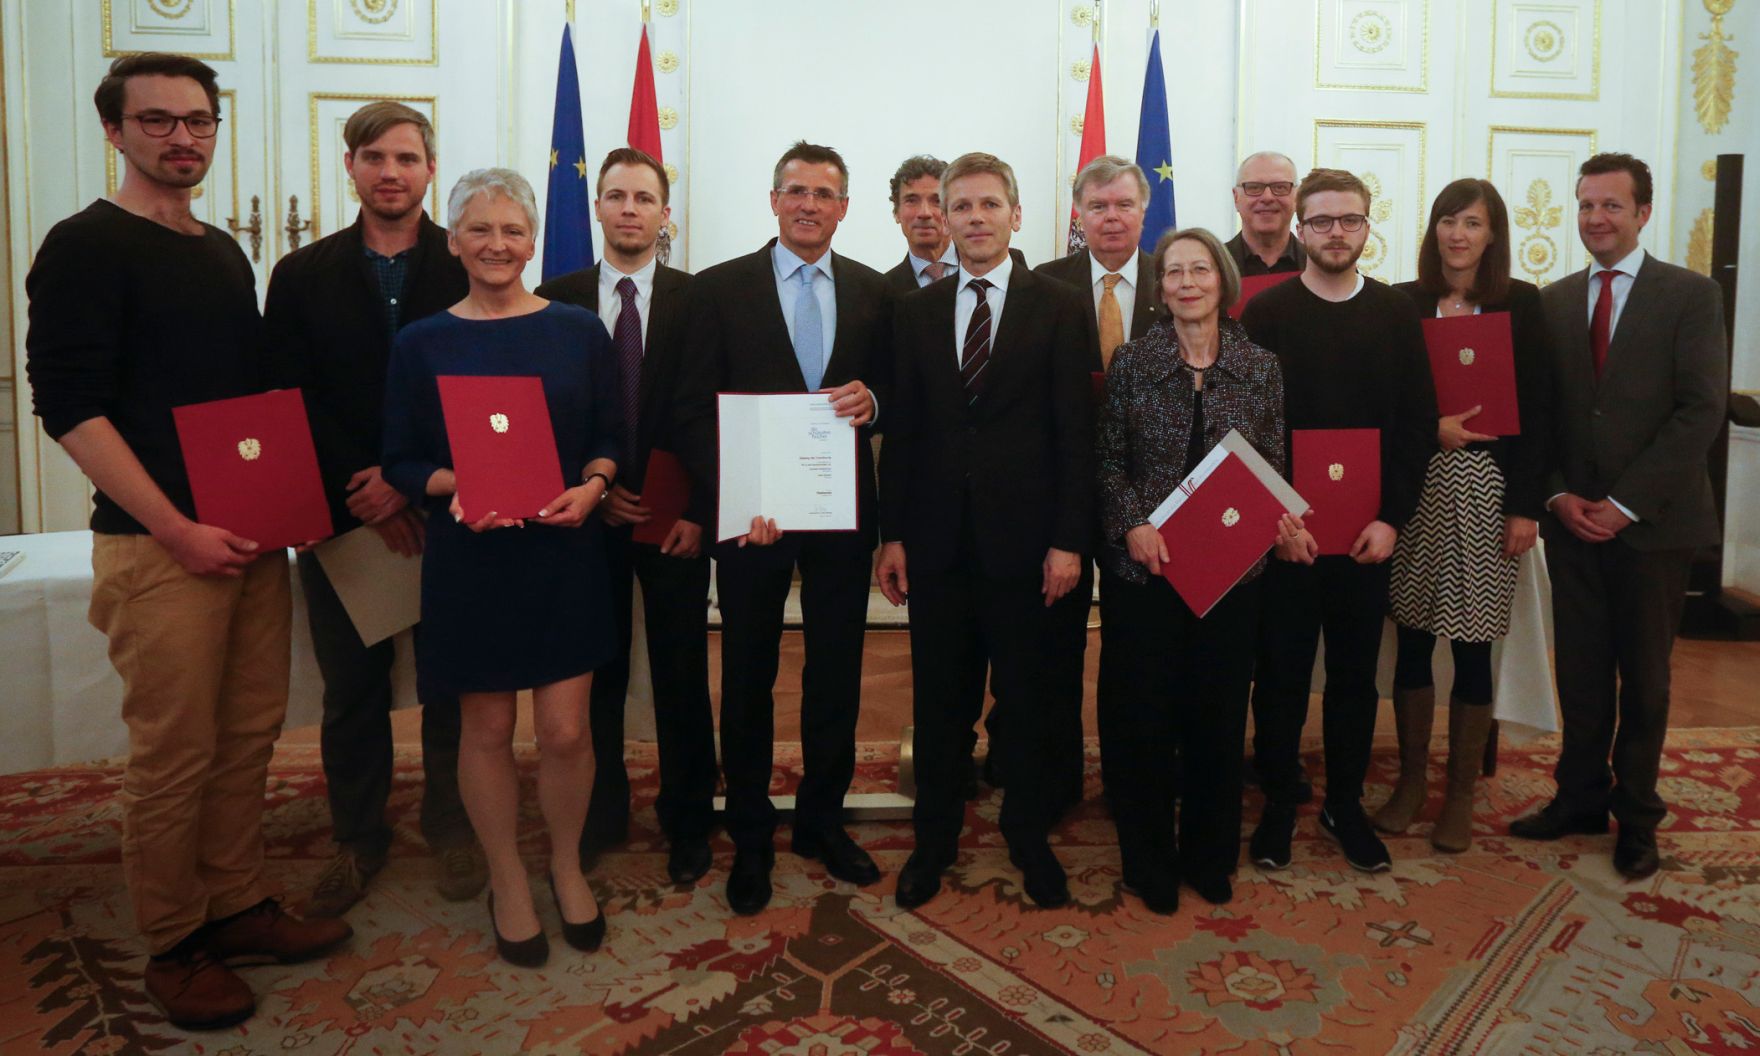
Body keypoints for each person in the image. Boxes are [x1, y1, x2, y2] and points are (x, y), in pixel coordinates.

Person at [24, 53, 350, 1030]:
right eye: (158, 121)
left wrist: (278, 514)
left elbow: (239, 411)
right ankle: (175, 942)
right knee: (174, 752)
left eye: (198, 121)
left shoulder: (218, 251)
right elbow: (70, 408)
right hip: (157, 547)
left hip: (246, 544)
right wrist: (176, 527)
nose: (183, 137)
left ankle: (238, 902)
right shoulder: (84, 246)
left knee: (248, 735)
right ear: (115, 132)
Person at [380, 168, 620, 966]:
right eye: (479, 230)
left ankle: (562, 862)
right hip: (471, 558)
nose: (497, 245)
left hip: (563, 551)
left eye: (513, 231)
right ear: (453, 242)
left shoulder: (579, 330)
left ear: (533, 241)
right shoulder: (421, 343)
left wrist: (593, 488)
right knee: (484, 729)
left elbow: (609, 436)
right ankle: (507, 876)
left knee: (565, 731)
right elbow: (402, 462)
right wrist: (460, 483)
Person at [263, 100, 486, 918]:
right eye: (374, 157)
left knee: (451, 683)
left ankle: (453, 822)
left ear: (431, 169)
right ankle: (358, 839)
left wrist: (411, 476)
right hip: (341, 516)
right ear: (350, 167)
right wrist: (362, 486)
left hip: (448, 509)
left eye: (406, 157)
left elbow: (486, 385)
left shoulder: (467, 263)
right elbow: (287, 397)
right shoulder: (301, 274)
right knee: (350, 692)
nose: (390, 172)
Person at [672, 141, 892, 916]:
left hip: (840, 522)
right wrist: (740, 494)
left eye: (824, 193)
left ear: (843, 207)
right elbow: (692, 409)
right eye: (795, 190)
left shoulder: (873, 293)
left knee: (835, 674)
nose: (808, 204)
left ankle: (822, 823)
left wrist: (877, 405)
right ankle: (753, 834)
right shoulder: (717, 290)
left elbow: (896, 395)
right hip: (752, 524)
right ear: (773, 201)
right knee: (750, 679)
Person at [878, 152, 1094, 911]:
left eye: (987, 205)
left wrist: (1070, 539)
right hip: (938, 550)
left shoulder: (1062, 305)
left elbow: (1077, 433)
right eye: (958, 205)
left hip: (1033, 553)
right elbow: (901, 432)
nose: (972, 217)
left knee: (1028, 707)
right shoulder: (915, 311)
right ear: (942, 215)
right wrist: (892, 534)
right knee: (941, 708)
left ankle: (1028, 840)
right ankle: (933, 844)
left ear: (1016, 213)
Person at [1510, 153, 1728, 880]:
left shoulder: (1690, 296)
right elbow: (1541, 414)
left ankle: (1637, 817)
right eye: (1585, 206)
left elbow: (1701, 410)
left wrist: (1627, 504)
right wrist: (1558, 495)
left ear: (1642, 213)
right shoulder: (1553, 300)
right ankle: (1577, 797)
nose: (1595, 219)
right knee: (1579, 672)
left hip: (1655, 528)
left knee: (1645, 678)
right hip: (1572, 521)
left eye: (1610, 206)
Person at [1241, 168, 1437, 875]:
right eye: (1320, 222)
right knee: (1282, 677)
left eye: (1347, 221)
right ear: (1300, 229)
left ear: (1367, 226)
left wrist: (1391, 519)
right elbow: (1247, 432)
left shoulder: (1394, 315)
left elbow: (1416, 428)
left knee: (1356, 680)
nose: (1334, 234)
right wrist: (1274, 517)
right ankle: (1275, 809)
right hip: (1286, 539)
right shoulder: (1265, 314)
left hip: (1365, 541)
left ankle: (1344, 805)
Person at [534, 147, 715, 886]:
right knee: (594, 679)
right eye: (617, 196)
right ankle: (600, 815)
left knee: (681, 676)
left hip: (675, 523)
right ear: (598, 209)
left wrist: (702, 510)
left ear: (665, 213)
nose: (631, 208)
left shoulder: (701, 300)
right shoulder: (554, 297)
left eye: (645, 197)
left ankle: (689, 820)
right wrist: (591, 492)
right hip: (583, 520)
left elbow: (714, 411)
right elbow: (540, 417)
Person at [1096, 227, 1284, 914]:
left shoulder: (1261, 367)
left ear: (1222, 280)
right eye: (1173, 272)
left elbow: (1272, 467)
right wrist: (1133, 524)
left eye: (1199, 269)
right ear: (1160, 286)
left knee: (1217, 720)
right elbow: (1110, 463)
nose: (1186, 282)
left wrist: (1280, 522)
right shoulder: (1132, 363)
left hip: (1232, 577)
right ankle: (1148, 863)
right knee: (1146, 720)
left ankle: (1209, 858)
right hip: (1145, 575)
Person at [1379, 179, 1552, 852]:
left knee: (1475, 644)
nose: (1459, 234)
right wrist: (1434, 427)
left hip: (1488, 491)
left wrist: (1525, 507)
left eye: (1473, 223)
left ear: (1492, 234)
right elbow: (1390, 401)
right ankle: (1412, 781)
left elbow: (1539, 412)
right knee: (1415, 639)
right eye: (1448, 221)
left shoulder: (1522, 304)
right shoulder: (1403, 302)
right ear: (1434, 230)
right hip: (1417, 486)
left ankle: (1458, 796)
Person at [1036, 153, 1165, 815]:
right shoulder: (1042, 283)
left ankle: (1127, 779)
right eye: (1098, 206)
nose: (1111, 217)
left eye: (1124, 205)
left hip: (1142, 501)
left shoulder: (1173, 281)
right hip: (1057, 491)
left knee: (1132, 648)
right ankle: (1053, 779)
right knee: (1053, 646)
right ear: (1079, 216)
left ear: (1144, 212)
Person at [883, 154, 958, 293]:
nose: (924, 213)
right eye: (911, 200)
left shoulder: (985, 269)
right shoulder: (883, 292)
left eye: (937, 201)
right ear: (896, 212)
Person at [1225, 151, 1307, 276]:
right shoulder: (1213, 265)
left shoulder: (1319, 267)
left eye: (1280, 187)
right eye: (1254, 187)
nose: (1267, 197)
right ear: (1236, 198)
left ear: (1297, 197)